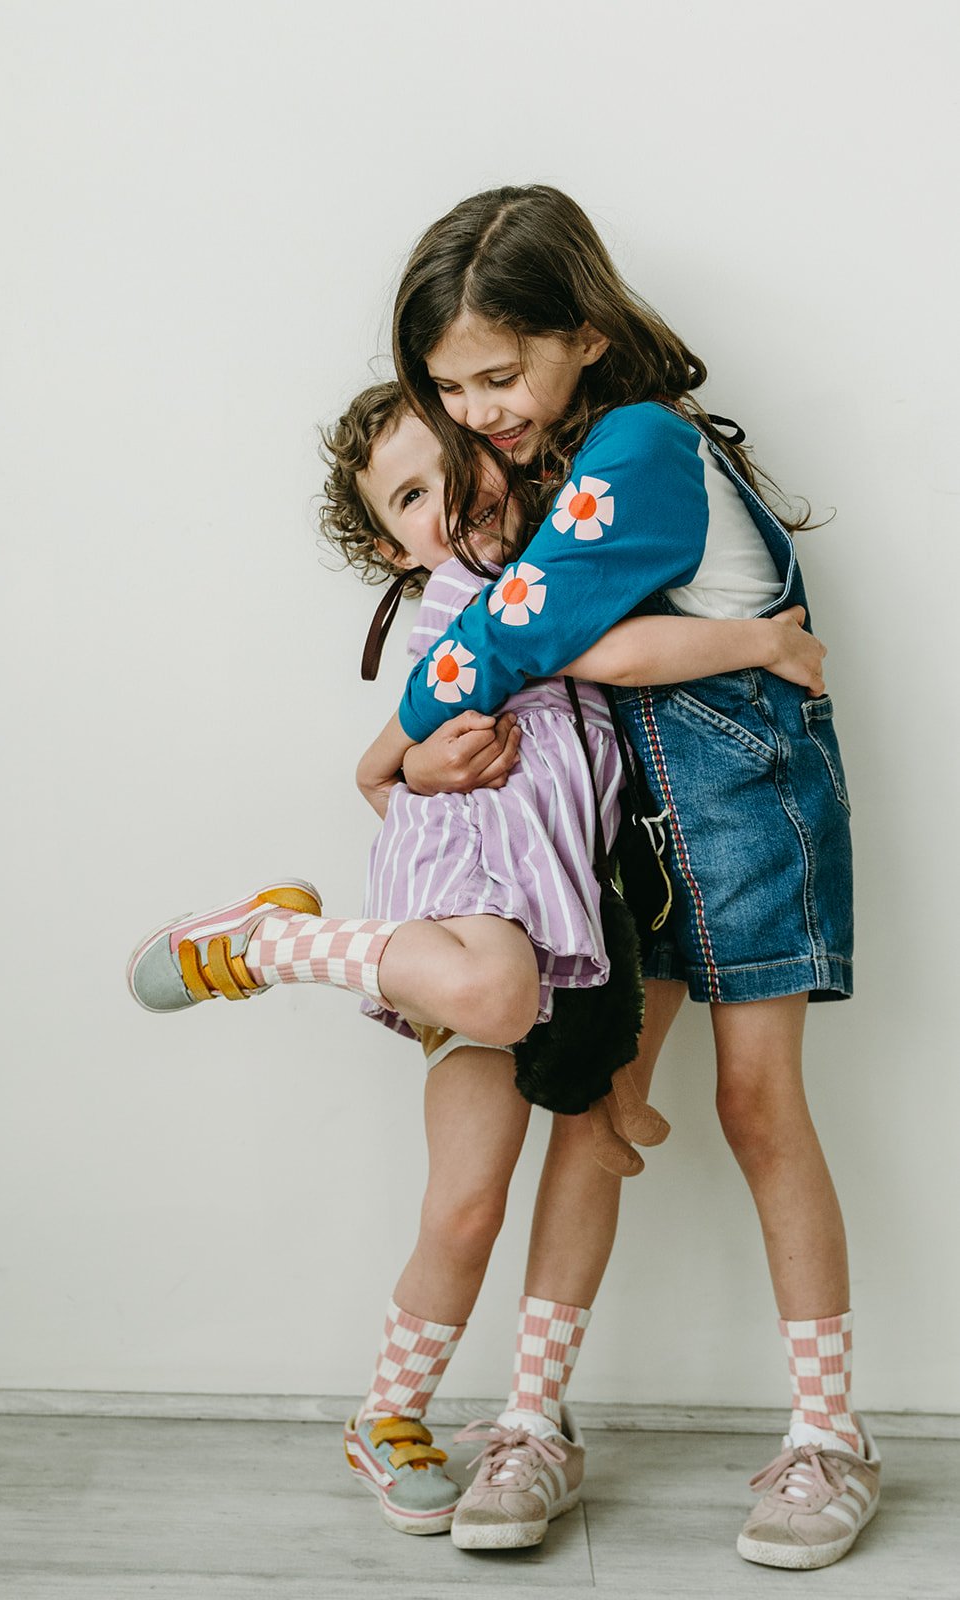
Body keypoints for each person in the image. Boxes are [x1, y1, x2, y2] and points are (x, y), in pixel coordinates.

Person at [127, 378, 828, 1552]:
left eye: (457, 462)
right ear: (389, 543)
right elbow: (611, 650)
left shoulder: (548, 567)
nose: (447, 500)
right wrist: (762, 640)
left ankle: (387, 1414)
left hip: (552, 920)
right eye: (410, 495)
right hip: (470, 910)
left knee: (463, 1206)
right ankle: (261, 943)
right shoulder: (474, 598)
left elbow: (422, 729)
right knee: (490, 996)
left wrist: (381, 770)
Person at [377, 183, 878, 1572]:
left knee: (754, 1104)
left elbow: (515, 638)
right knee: (591, 1108)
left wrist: (420, 716)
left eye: (498, 371)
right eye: (448, 385)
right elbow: (546, 638)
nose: (474, 409)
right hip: (626, 817)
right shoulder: (560, 471)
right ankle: (531, 1420)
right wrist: (417, 752)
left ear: (583, 332)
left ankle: (826, 1438)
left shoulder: (640, 447)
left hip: (743, 798)